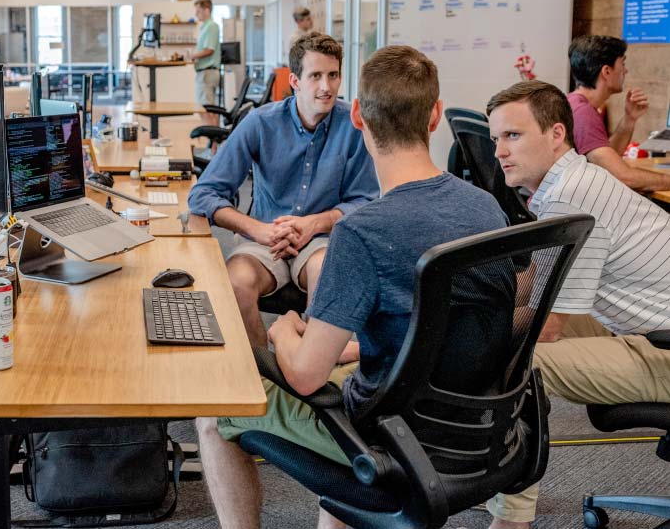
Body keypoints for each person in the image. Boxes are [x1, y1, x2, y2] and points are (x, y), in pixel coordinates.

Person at [195, 45, 511, 529]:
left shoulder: (361, 234)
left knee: (211, 415)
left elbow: (305, 377)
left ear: (359, 115)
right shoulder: (487, 208)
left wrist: (284, 331)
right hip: (475, 427)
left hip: (387, 436)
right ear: (436, 115)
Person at [485, 80, 670, 529]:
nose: (499, 152)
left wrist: (467, 333)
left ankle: (511, 518)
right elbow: (536, 282)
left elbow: (547, 325)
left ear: (556, 134)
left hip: (661, 349)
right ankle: (494, 486)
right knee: (499, 332)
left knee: (519, 360)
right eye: (495, 139)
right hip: (644, 327)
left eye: (513, 136)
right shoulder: (570, 182)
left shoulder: (571, 195)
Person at [188, 32, 378, 348]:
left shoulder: (354, 126)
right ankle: (263, 369)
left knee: (327, 276)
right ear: (295, 81)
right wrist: (256, 229)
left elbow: (366, 201)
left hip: (321, 240)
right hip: (264, 239)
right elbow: (203, 194)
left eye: (333, 75)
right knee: (235, 282)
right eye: (315, 76)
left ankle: (308, 365)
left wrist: (315, 223)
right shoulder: (261, 123)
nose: (326, 87)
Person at [567, 34, 670, 191]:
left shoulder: (576, 104)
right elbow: (623, 176)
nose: (625, 70)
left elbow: (607, 161)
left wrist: (629, 119)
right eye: (622, 63)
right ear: (607, 71)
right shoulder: (583, 113)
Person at [189, 0, 222, 122]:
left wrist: (193, 56)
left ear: (207, 10)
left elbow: (209, 50)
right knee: (207, 109)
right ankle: (213, 133)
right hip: (205, 72)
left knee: (205, 109)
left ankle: (211, 134)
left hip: (208, 73)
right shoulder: (205, 27)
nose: (196, 14)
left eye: (198, 11)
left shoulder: (211, 27)